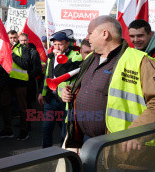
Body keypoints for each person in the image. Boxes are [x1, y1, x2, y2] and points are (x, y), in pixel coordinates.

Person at [61, 16, 155, 170]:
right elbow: (85, 86)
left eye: (90, 33)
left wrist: (138, 133)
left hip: (120, 148)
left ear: (105, 34)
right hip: (87, 142)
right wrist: (69, 92)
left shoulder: (141, 61)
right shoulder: (91, 58)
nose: (86, 37)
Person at [38, 31, 82, 148]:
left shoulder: (75, 56)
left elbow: (62, 71)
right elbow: (48, 75)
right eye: (55, 44)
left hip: (65, 101)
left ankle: (62, 154)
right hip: (50, 98)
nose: (57, 47)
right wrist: (42, 93)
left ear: (67, 43)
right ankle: (45, 153)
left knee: (64, 131)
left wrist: (57, 57)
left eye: (60, 44)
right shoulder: (51, 56)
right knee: (46, 128)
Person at [0, 30, 31, 140]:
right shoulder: (4, 48)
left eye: (15, 38)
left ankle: (24, 131)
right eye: (11, 38)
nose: (13, 40)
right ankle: (8, 130)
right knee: (5, 105)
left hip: (20, 82)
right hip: (7, 82)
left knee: (22, 108)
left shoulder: (23, 48)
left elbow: (25, 64)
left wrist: (12, 55)